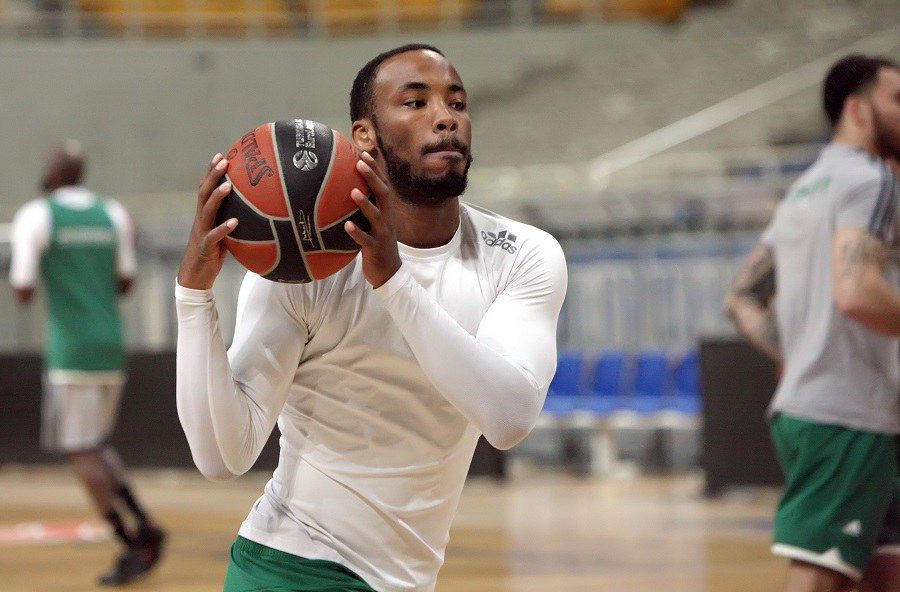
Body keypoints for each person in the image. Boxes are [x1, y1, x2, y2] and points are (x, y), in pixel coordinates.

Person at [175, 43, 567, 592]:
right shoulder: (304, 267)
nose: (446, 117)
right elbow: (223, 456)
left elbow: (508, 418)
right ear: (364, 136)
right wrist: (193, 296)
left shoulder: (521, 255)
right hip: (290, 568)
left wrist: (393, 282)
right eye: (416, 102)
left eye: (456, 102)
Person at [724, 54, 900, 592]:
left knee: (882, 570)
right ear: (858, 110)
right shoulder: (872, 179)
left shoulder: (804, 191)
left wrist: (797, 354)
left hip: (823, 410)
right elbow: (856, 291)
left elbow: (741, 297)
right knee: (818, 575)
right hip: (848, 417)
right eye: (897, 99)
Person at [9, 141, 166, 586]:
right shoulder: (112, 214)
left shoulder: (37, 215)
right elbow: (125, 282)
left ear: (51, 173)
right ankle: (145, 526)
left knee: (80, 450)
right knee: (95, 444)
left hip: (72, 350)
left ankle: (132, 540)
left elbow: (22, 289)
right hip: (110, 344)